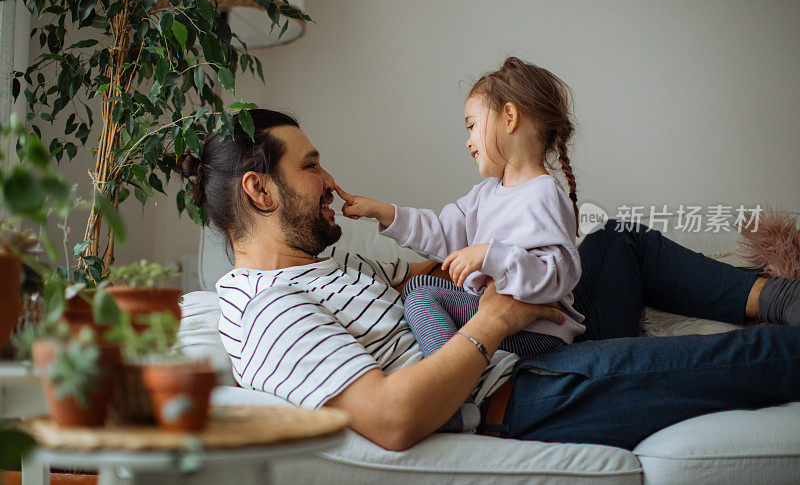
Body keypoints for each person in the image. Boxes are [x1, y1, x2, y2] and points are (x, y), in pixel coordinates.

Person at [180, 107, 800, 452]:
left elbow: (429, 268)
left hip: (522, 347)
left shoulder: (321, 270)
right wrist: (496, 319)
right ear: (259, 190)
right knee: (747, 357)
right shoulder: (269, 310)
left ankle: (780, 295)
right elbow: (392, 417)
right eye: (310, 165)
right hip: (519, 393)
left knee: (617, 244)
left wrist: (496, 250)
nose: (327, 180)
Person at [334, 58, 587, 431]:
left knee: (422, 290)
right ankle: (461, 385)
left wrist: (490, 255)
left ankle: (450, 402)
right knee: (423, 290)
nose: (468, 141)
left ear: (510, 117)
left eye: (472, 126)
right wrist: (383, 212)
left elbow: (557, 274)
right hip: (500, 323)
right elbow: (440, 232)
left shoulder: (543, 193)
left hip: (539, 333)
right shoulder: (485, 194)